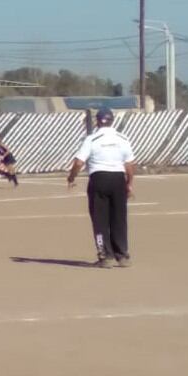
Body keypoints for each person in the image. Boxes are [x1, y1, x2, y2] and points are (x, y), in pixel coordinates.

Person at [67, 107, 136, 268]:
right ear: (112, 121)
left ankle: (105, 256)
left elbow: (78, 162)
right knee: (119, 218)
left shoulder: (91, 139)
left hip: (99, 179)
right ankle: (122, 255)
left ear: (97, 121)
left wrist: (71, 177)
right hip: (118, 179)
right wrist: (129, 183)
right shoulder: (122, 138)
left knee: (100, 220)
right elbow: (129, 164)